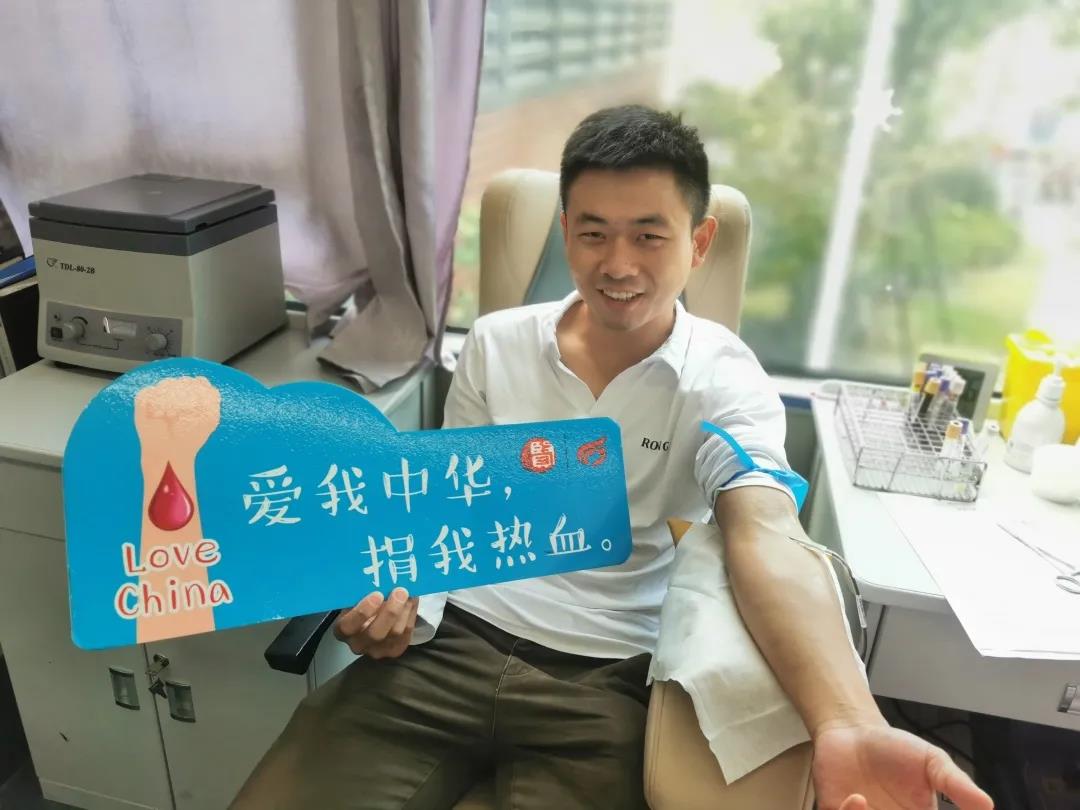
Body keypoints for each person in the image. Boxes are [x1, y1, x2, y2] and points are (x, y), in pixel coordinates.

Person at [231, 105, 993, 810]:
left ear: (699, 243)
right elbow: (448, 513)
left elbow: (765, 533)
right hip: (445, 652)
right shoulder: (497, 345)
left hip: (602, 683)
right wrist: (397, 602)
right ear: (566, 233)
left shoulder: (721, 379)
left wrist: (847, 718)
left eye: (649, 236)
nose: (618, 264)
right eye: (594, 233)